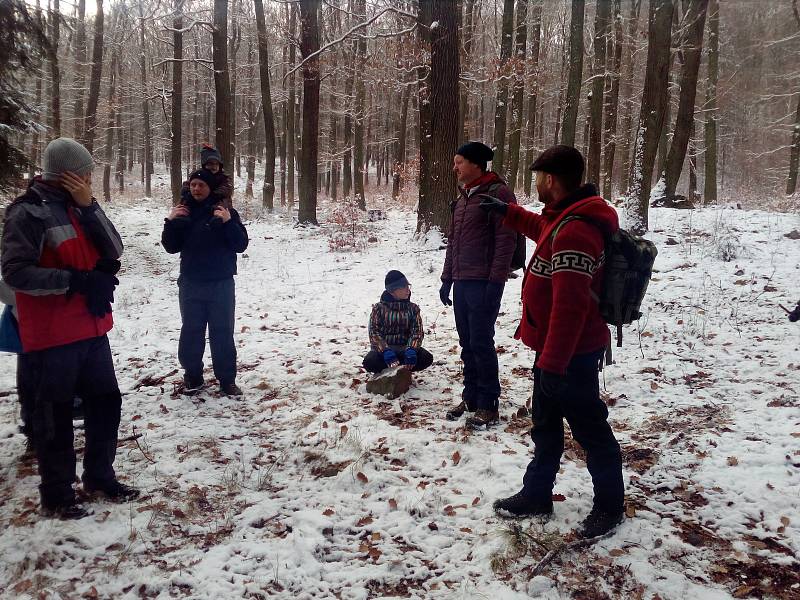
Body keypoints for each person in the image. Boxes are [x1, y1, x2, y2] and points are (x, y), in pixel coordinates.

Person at [482, 145, 625, 538]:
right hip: (554, 352)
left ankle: (611, 506)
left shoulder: (577, 230)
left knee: (590, 429)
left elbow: (571, 307)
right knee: (545, 425)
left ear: (550, 180)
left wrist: (553, 364)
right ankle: (536, 494)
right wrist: (509, 214)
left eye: (538, 178)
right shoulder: (565, 219)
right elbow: (544, 231)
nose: (535, 185)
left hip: (570, 355)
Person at [1, 137, 139, 519]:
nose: (90, 179)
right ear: (68, 174)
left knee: (106, 403)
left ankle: (99, 475)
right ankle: (57, 493)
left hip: (92, 327)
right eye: (86, 174)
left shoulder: (81, 207)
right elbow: (15, 273)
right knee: (55, 414)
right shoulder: (26, 213)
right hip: (53, 333)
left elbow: (114, 248)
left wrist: (90, 208)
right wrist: (75, 281)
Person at [440, 141, 518, 429]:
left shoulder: (498, 193)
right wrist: (447, 279)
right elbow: (454, 243)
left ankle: (488, 403)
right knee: (466, 343)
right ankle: (471, 397)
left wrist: (495, 283)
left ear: (475, 164)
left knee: (481, 343)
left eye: (459, 162)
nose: (455, 167)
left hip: (484, 283)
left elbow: (505, 242)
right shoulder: (463, 198)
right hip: (461, 282)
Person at [162, 168, 249, 396]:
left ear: (210, 188)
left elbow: (241, 245)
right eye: (193, 185)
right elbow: (171, 247)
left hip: (221, 283)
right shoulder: (183, 212)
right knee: (191, 331)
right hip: (191, 283)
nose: (196, 189)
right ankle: (193, 376)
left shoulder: (224, 211)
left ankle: (227, 380)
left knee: (222, 332)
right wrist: (170, 222)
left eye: (201, 185)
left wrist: (229, 222)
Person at [363, 270, 433, 374]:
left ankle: (402, 368)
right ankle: (390, 370)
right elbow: (374, 333)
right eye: (404, 287)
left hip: (405, 349)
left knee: (426, 358)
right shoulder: (378, 309)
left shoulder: (413, 308)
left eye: (408, 287)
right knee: (370, 362)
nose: (408, 290)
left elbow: (417, 332)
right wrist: (385, 350)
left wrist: (412, 349)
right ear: (392, 291)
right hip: (385, 352)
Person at [180, 144, 233, 208]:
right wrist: (189, 195)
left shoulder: (223, 179)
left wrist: (211, 197)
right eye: (210, 164)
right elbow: (187, 187)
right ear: (204, 165)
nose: (214, 167)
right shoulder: (197, 176)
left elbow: (224, 195)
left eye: (217, 164)